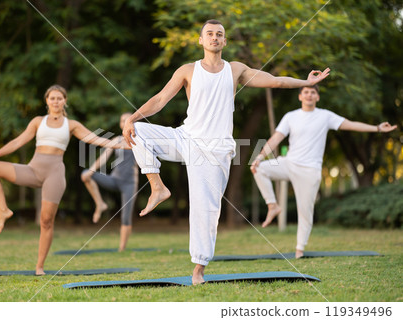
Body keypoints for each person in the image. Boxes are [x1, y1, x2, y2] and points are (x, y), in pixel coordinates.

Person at [122, 19, 330, 284]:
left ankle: (198, 268)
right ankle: (157, 187)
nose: (214, 37)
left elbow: (275, 81)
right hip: (186, 137)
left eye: (219, 34)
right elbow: (160, 100)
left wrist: (304, 81)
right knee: (137, 130)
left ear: (225, 41)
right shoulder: (187, 70)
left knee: (205, 209)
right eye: (209, 34)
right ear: (201, 40)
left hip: (215, 149)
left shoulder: (235, 70)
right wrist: (131, 118)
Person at [0, 84, 126, 275]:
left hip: (54, 174)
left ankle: (39, 266)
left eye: (59, 98)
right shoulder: (37, 122)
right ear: (47, 101)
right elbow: (18, 141)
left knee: (46, 221)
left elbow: (94, 139)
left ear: (65, 100)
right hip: (33, 170)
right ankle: (4, 209)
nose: (56, 101)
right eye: (52, 98)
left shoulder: (71, 125)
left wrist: (120, 144)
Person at [250, 85, 397, 259]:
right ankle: (272, 205)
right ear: (300, 97)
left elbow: (350, 124)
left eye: (313, 92)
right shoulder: (291, 117)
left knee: (305, 211)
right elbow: (276, 138)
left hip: (310, 171)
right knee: (258, 168)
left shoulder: (325, 116)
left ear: (317, 97)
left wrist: (377, 128)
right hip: (289, 163)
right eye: (306, 92)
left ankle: (299, 250)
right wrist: (259, 157)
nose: (309, 95)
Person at [81, 112, 139, 252]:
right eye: (122, 120)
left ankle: (121, 248)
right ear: (120, 124)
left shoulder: (139, 140)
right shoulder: (116, 140)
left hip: (129, 184)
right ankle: (100, 204)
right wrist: (91, 170)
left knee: (126, 217)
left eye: (128, 120)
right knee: (85, 175)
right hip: (114, 179)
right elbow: (103, 158)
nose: (125, 122)